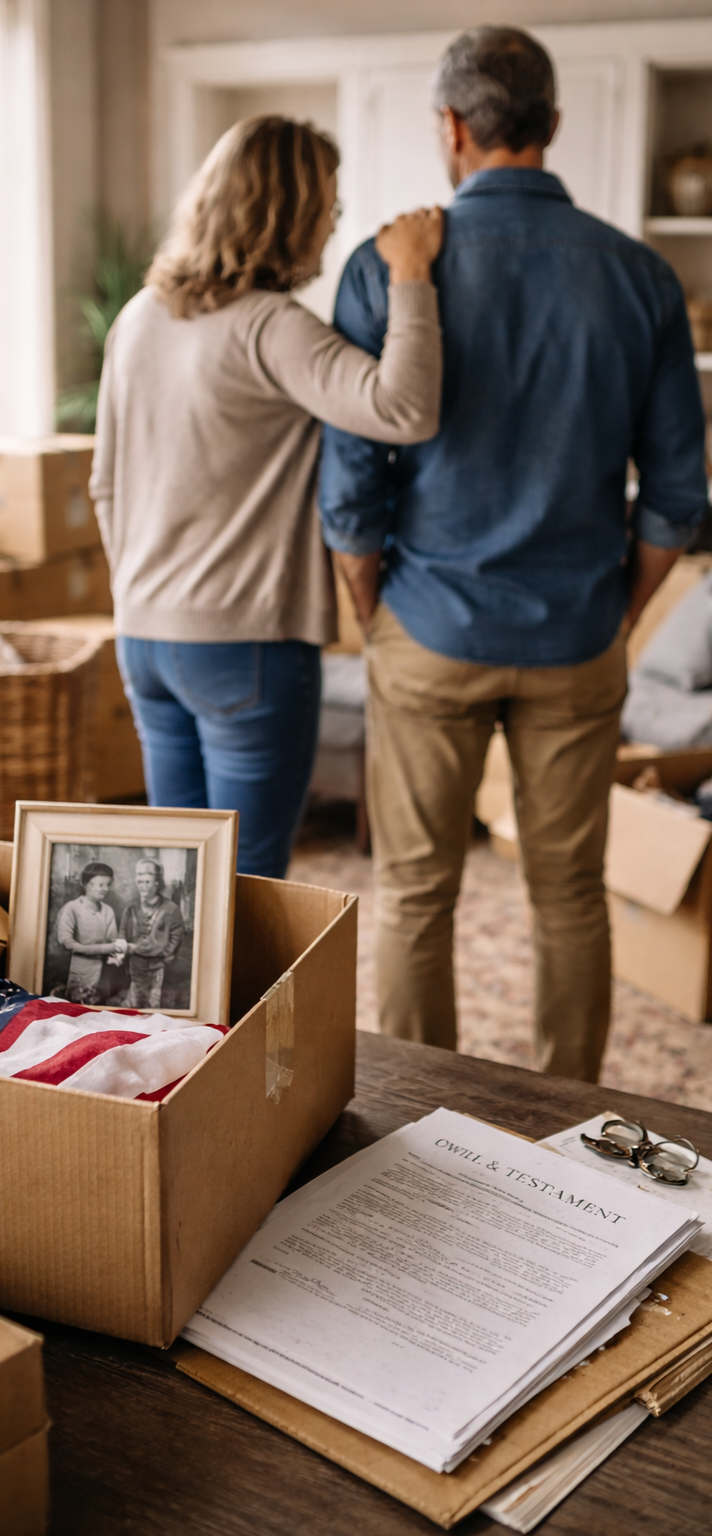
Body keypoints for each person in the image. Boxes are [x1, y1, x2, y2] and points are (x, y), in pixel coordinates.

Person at [319, 26, 709, 1082]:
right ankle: (563, 1119)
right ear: (553, 126)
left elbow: (351, 493)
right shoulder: (639, 277)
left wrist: (376, 614)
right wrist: (618, 616)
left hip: (428, 624)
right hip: (577, 631)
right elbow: (676, 499)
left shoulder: (384, 266)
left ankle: (416, 1122)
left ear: (452, 127)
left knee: (411, 894)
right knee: (571, 894)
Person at [90, 114, 443, 878]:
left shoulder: (138, 318)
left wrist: (144, 592)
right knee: (247, 886)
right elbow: (405, 408)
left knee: (175, 890)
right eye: (329, 206)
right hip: (244, 644)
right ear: (290, 213)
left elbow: (104, 484)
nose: (331, 224)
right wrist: (411, 274)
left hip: (145, 634)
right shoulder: (270, 328)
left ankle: (178, 1007)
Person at [114, 859, 184, 1010]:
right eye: (139, 878)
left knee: (154, 1008)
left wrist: (161, 953)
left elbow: (176, 938)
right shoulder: (131, 909)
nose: (142, 884)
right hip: (134, 970)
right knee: (134, 1007)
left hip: (159, 970)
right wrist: (120, 951)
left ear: (157, 881)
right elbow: (122, 936)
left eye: (147, 879)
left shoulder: (171, 909)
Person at [56, 861, 122, 1004]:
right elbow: (67, 943)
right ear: (85, 884)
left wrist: (118, 954)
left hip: (103, 974)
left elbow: (114, 942)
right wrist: (106, 948)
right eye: (100, 885)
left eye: (108, 884)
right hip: (80, 972)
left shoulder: (108, 911)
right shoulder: (72, 908)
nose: (105, 889)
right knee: (79, 1011)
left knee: (101, 1012)